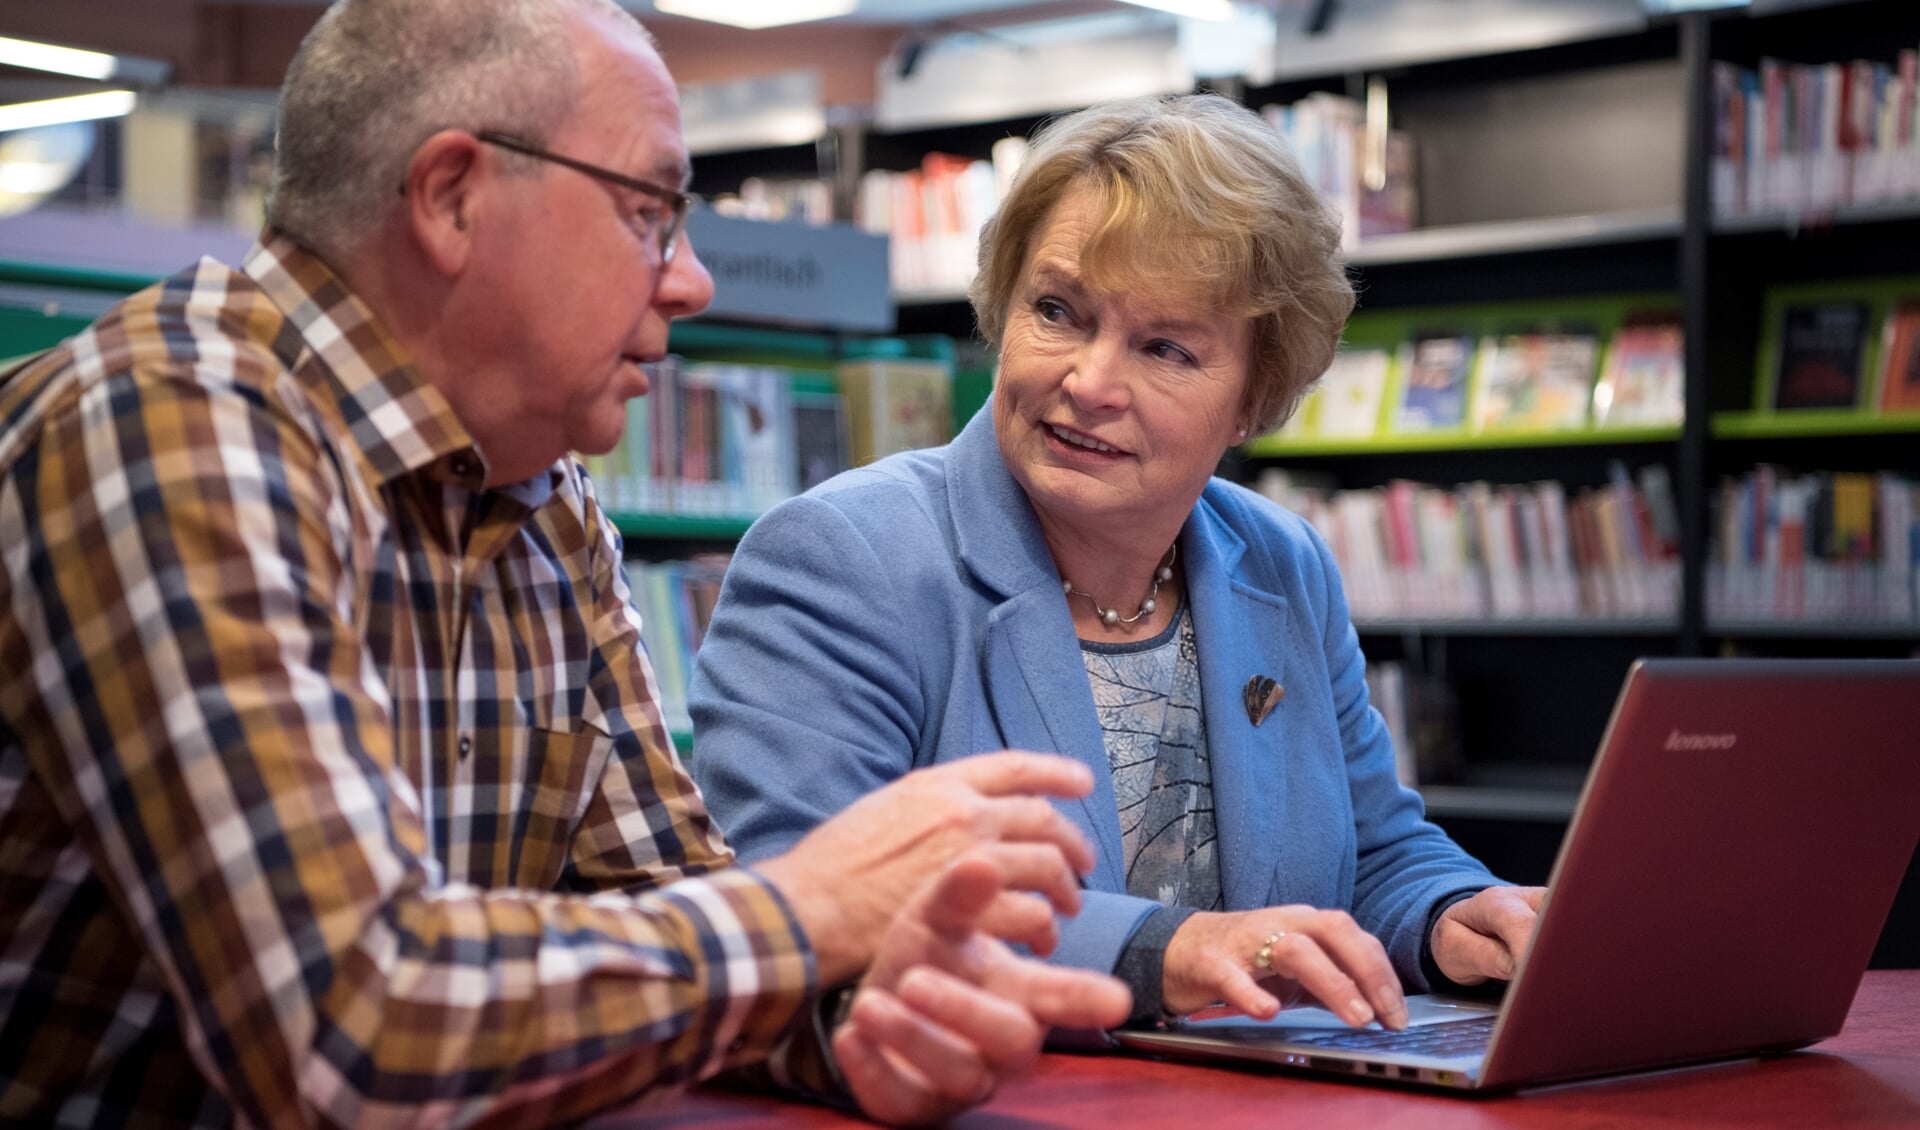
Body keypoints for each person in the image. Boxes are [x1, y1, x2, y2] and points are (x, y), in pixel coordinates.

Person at [0, 1, 1131, 1126]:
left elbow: (665, 898)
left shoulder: (539, 489)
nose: (691, 281)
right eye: (652, 212)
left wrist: (856, 1024)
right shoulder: (166, 425)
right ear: (453, 197)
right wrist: (809, 909)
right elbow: (353, 1029)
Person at [691, 92, 1545, 1035]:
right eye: (1057, 310)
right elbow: (793, 904)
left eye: (1165, 348)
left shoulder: (1283, 563)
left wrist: (1448, 914)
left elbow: (1372, 851)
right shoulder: (841, 559)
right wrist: (1165, 952)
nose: (1090, 384)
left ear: (1254, 402)